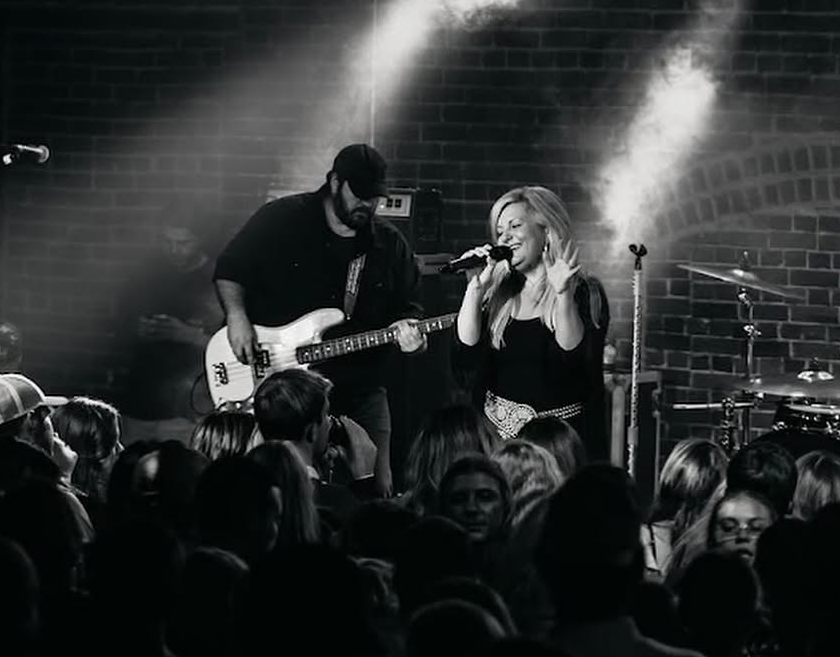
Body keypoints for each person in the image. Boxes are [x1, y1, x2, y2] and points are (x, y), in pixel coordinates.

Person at [213, 143, 425, 497]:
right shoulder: (281, 219)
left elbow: (410, 309)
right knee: (268, 487)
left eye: (374, 197)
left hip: (359, 389)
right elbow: (229, 270)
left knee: (377, 489)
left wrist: (409, 335)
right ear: (335, 182)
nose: (368, 204)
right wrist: (237, 317)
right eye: (359, 194)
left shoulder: (389, 244)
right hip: (281, 393)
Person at [450, 186, 610, 457]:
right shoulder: (497, 291)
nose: (505, 237)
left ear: (546, 231)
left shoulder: (585, 291)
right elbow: (465, 360)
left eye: (515, 226)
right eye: (500, 231)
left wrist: (563, 295)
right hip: (495, 445)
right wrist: (474, 290)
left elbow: (571, 360)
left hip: (555, 448)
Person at [118, 201, 225, 445]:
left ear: (201, 239)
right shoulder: (148, 275)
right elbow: (118, 328)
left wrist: (189, 335)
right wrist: (136, 328)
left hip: (188, 408)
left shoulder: (218, 281)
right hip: (139, 402)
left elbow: (232, 349)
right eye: (166, 241)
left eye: (184, 243)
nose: (174, 250)